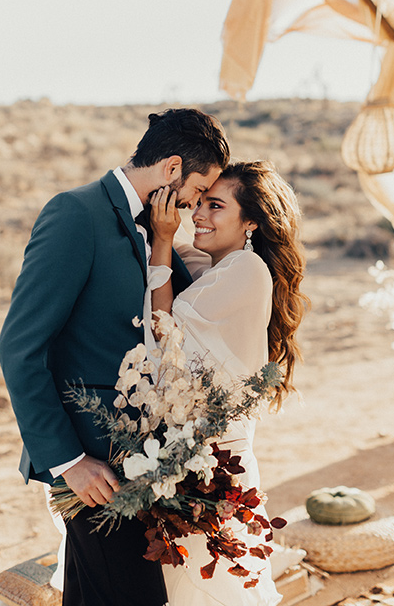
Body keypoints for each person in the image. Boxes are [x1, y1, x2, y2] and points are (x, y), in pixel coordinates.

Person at [0, 107, 230, 606]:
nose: (192, 206)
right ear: (171, 169)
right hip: (91, 466)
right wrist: (69, 461)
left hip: (140, 460)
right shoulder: (75, 214)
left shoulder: (157, 230)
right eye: (196, 190)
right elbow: (20, 346)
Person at [148, 160, 309, 606]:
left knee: (208, 582)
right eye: (197, 202)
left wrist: (163, 239)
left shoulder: (246, 270)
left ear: (251, 220)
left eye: (215, 206)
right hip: (197, 453)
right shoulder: (214, 263)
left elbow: (167, 329)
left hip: (212, 459)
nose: (198, 214)